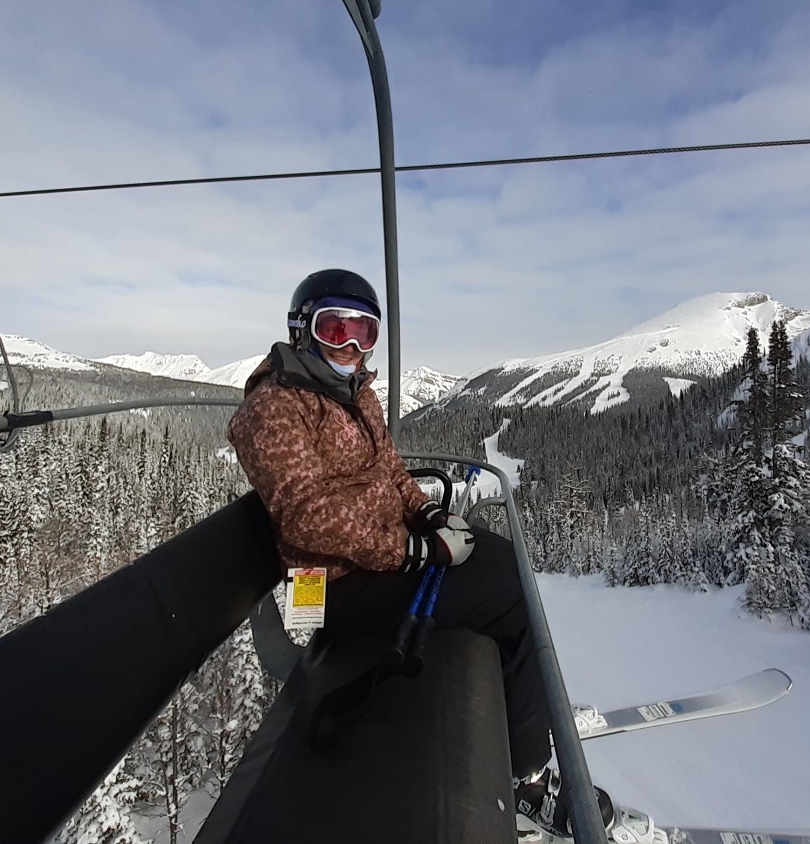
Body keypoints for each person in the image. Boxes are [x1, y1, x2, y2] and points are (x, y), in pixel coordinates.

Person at [227, 268, 612, 837]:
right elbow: (306, 516)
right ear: (303, 330)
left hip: (377, 564)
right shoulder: (275, 409)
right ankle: (523, 777)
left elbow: (388, 472)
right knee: (512, 599)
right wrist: (411, 550)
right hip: (333, 583)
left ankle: (512, 706)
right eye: (336, 329)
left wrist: (427, 512)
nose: (353, 347)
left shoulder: (355, 392)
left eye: (365, 333)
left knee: (506, 560)